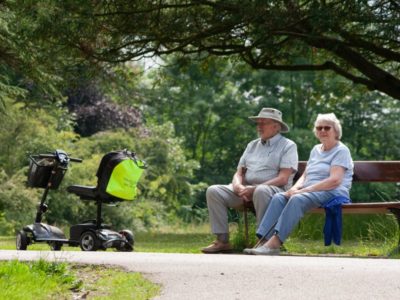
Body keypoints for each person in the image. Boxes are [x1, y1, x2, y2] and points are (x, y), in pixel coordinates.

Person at [246, 113, 353, 255]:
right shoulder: (316, 149)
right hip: (312, 191)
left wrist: (303, 191)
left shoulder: (341, 150)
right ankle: (264, 241)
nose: (322, 131)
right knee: (279, 198)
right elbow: (306, 174)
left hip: (333, 191)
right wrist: (294, 188)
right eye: (319, 128)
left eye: (327, 128)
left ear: (336, 131)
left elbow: (334, 180)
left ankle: (275, 244)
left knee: (297, 199)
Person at [201, 108, 298, 254]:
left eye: (264, 122)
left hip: (275, 191)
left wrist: (255, 188)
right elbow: (239, 172)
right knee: (214, 191)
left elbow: (283, 178)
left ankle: (265, 242)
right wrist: (238, 185)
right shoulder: (252, 145)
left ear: (276, 126)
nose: (259, 126)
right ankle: (222, 241)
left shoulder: (288, 146)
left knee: (261, 190)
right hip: (248, 190)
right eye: (258, 123)